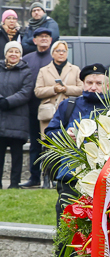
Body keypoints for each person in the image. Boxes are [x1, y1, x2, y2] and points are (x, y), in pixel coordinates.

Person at [44, 64, 108, 257]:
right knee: (66, 238)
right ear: (82, 84)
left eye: (98, 83)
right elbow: (49, 133)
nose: (93, 87)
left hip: (101, 184)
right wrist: (64, 135)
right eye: (89, 82)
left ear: (105, 85)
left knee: (98, 239)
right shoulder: (68, 106)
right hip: (70, 180)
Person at [20, 27, 53, 188]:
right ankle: (34, 177)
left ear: (51, 40)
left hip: (51, 110)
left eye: (47, 36)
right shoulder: (26, 59)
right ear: (34, 40)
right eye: (41, 37)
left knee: (50, 144)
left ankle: (50, 178)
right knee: (34, 144)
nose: (44, 39)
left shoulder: (55, 59)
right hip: (32, 109)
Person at [0, 41, 33, 188]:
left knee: (17, 155)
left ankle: (14, 183)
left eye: (17, 52)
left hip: (18, 118)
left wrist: (8, 102)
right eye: (10, 51)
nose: (13, 54)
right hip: (1, 118)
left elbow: (26, 92)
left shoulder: (26, 71)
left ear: (20, 55)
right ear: (6, 54)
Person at [34, 40, 81, 138]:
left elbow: (82, 89)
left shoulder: (75, 69)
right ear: (52, 53)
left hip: (69, 111)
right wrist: (53, 90)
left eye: (64, 51)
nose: (61, 53)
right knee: (49, 142)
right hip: (49, 112)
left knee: (69, 140)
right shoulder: (44, 70)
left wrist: (66, 89)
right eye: (58, 50)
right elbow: (38, 91)